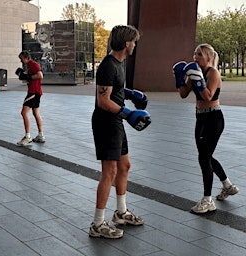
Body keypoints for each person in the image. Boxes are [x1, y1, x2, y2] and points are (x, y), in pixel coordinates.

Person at [89, 25, 151, 239]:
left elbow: (114, 89)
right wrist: (128, 113)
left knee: (124, 166)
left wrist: (130, 94)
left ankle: (121, 212)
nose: (135, 45)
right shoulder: (108, 64)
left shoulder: (119, 63)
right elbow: (103, 100)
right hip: (106, 123)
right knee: (110, 173)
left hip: (115, 121)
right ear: (127, 43)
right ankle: (97, 224)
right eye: (134, 41)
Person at [173, 43, 239, 214]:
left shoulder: (213, 73)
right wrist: (180, 78)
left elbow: (208, 96)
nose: (195, 57)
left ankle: (207, 200)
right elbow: (183, 94)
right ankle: (228, 186)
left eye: (199, 55)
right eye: (195, 54)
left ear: (208, 57)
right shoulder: (193, 70)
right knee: (206, 155)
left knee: (204, 158)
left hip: (213, 117)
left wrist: (198, 81)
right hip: (200, 117)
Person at [15, 51, 45, 146]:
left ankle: (27, 137)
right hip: (36, 92)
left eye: (21, 59)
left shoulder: (33, 64)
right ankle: (41, 135)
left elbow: (40, 75)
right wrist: (25, 76)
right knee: (36, 113)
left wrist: (28, 76)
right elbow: (32, 77)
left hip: (33, 92)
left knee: (24, 113)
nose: (21, 61)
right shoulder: (29, 66)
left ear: (26, 57)